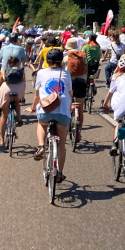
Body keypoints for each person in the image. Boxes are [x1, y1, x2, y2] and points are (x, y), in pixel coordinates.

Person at [25, 48, 72, 180]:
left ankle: (41, 146)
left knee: (41, 123)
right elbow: (69, 94)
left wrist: (33, 108)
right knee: (62, 143)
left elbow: (37, 94)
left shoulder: (40, 73)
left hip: (45, 109)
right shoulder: (66, 74)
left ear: (47, 60)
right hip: (62, 111)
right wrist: (69, 107)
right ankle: (59, 173)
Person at [65, 37, 89, 141]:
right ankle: (78, 132)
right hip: (81, 81)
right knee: (80, 107)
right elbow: (86, 69)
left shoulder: (65, 56)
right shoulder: (83, 55)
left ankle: (65, 131)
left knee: (67, 106)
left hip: (69, 81)